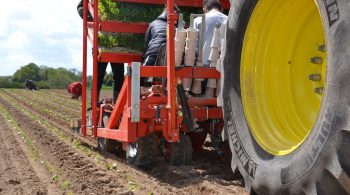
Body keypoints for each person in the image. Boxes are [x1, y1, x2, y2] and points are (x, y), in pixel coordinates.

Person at [77, 0, 125, 103]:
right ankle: (94, 103)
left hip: (118, 43)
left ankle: (117, 104)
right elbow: (81, 7)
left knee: (119, 76)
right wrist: (92, 18)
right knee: (98, 75)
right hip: (100, 41)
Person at [194, 0, 227, 66]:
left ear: (204, 10)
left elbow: (193, 46)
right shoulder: (228, 20)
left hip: (202, 65)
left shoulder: (198, 20)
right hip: (223, 66)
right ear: (222, 10)